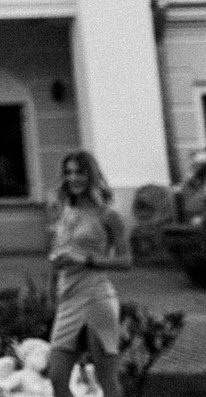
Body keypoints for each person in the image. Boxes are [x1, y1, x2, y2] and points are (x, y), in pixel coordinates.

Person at [46, 150, 129, 397]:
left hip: (96, 296)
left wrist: (86, 260)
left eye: (80, 172)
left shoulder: (108, 215)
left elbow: (126, 261)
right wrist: (52, 291)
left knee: (107, 381)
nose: (73, 178)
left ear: (91, 175)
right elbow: (57, 256)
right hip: (67, 297)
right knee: (57, 377)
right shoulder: (64, 211)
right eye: (69, 172)